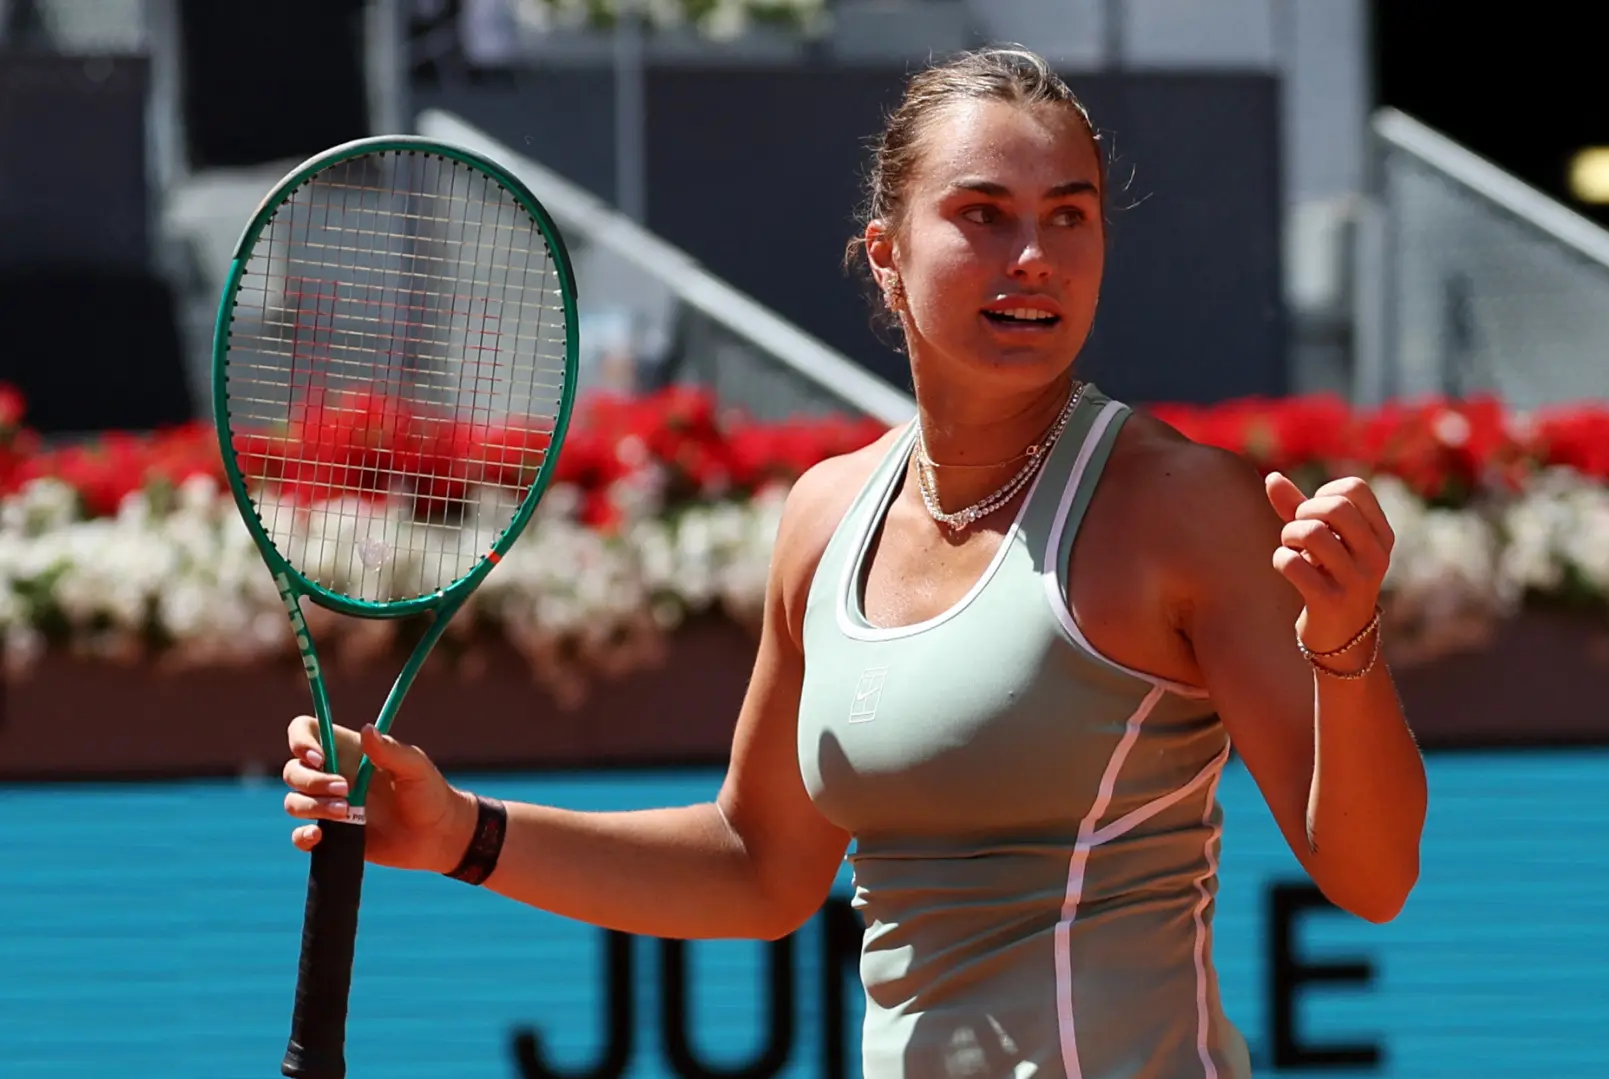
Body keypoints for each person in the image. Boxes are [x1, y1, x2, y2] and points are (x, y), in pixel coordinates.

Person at [280, 45, 1428, 1079]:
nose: (1034, 257)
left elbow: (1371, 878)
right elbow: (756, 862)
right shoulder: (827, 516)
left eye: (1069, 217)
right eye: (983, 214)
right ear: (886, 254)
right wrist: (458, 831)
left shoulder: (1184, 508)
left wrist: (1344, 640)